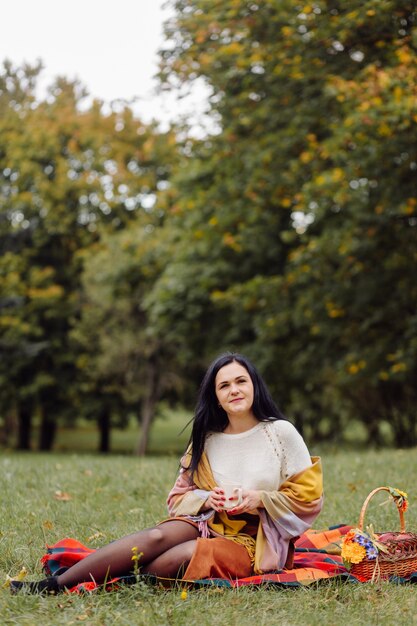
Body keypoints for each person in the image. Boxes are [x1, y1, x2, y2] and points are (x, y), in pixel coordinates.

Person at [11, 352, 323, 594]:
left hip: (253, 542)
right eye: (224, 385)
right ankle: (54, 586)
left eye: (241, 381)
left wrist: (257, 499)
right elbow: (177, 500)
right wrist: (207, 499)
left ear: (254, 385)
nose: (234, 390)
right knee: (157, 536)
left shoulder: (280, 433)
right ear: (216, 396)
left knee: (181, 556)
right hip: (206, 523)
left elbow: (309, 499)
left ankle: (108, 578)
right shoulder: (207, 439)